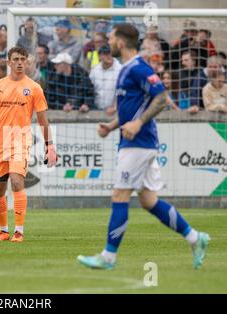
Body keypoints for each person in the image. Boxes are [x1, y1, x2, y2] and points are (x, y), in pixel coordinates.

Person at [77, 24, 210, 270]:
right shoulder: (125, 69)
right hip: (134, 141)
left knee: (119, 195)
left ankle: (108, 257)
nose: (109, 41)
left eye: (112, 37)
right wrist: (111, 125)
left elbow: (161, 97)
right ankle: (195, 238)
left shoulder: (138, 68)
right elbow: (130, 110)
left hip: (139, 143)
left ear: (121, 41)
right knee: (149, 200)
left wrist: (138, 123)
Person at [0, 46, 58, 243]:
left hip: (21, 141)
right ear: (9, 62)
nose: (20, 62)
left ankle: (18, 231)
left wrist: (50, 146)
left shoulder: (34, 88)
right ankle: (3, 231)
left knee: (17, 181)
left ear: (27, 62)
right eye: (16, 59)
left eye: (23, 59)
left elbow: (43, 120)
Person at [89, 45, 121, 115]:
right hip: (96, 109)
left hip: (115, 111)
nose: (109, 56)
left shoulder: (120, 70)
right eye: (106, 54)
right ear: (100, 56)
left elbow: (121, 91)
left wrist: (115, 107)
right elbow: (90, 88)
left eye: (110, 53)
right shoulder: (95, 70)